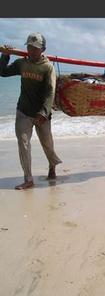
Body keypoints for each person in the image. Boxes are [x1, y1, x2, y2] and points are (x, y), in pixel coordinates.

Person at [0, 32, 62, 190]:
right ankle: (28, 179)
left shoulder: (47, 67)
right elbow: (3, 72)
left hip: (42, 113)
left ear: (43, 49)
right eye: (29, 47)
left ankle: (52, 166)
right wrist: (5, 56)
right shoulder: (22, 63)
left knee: (47, 145)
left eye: (35, 48)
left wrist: (44, 112)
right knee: (23, 144)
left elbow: (50, 92)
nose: (32, 51)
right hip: (23, 111)